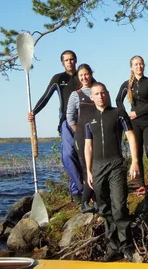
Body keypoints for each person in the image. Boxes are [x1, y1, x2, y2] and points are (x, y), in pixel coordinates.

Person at [84, 82, 139, 262]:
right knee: (105, 208)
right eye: (96, 94)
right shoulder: (88, 117)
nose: (100, 96)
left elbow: (130, 136)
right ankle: (112, 247)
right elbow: (88, 146)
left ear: (107, 94)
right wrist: (89, 171)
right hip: (97, 168)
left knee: (119, 206)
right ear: (91, 97)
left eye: (103, 93)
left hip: (116, 164)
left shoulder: (118, 113)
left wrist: (135, 162)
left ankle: (126, 247)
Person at [27, 50, 84, 203]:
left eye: (72, 59)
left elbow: (97, 93)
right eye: (66, 60)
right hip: (66, 120)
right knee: (68, 155)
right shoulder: (58, 78)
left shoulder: (83, 76)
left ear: (76, 60)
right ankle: (80, 189)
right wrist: (34, 112)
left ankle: (78, 190)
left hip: (83, 120)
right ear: (62, 63)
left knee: (82, 156)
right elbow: (46, 97)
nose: (70, 62)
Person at [116, 55, 148, 195]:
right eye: (136, 64)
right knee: (138, 153)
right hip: (134, 124)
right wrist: (125, 116)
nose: (139, 66)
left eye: (141, 64)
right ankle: (142, 184)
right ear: (131, 67)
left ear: (144, 66)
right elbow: (118, 101)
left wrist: (136, 112)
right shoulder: (127, 84)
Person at [66, 64, 97, 213]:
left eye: (86, 74)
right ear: (79, 77)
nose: (84, 77)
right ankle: (85, 202)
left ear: (91, 74)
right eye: (81, 75)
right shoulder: (75, 95)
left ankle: (97, 199)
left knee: (97, 167)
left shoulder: (98, 90)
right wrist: (79, 132)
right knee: (86, 169)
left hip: (97, 134)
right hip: (82, 137)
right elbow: (70, 118)